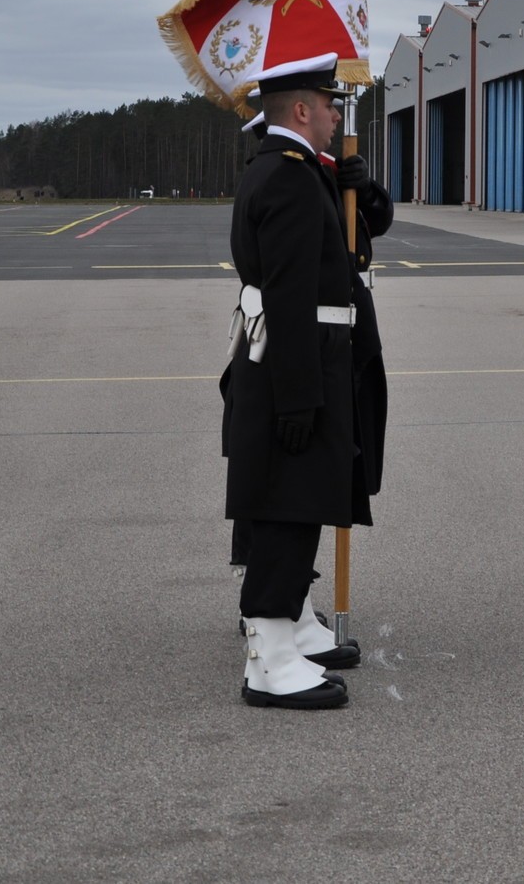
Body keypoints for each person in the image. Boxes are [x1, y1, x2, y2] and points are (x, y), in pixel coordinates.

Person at [224, 52, 371, 708]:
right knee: (285, 506)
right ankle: (269, 659)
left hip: (301, 357)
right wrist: (299, 396)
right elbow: (287, 295)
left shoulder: (294, 169)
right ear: (303, 110)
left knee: (301, 500)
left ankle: (292, 624)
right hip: (295, 360)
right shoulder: (286, 177)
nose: (338, 115)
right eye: (330, 105)